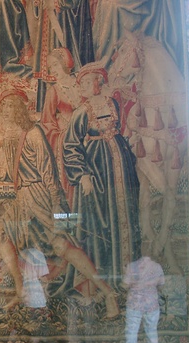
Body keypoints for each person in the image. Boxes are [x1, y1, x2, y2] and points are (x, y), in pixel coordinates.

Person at [0, 90, 119, 317]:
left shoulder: (33, 133)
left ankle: (108, 293)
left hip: (40, 196)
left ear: (19, 108)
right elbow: (14, 171)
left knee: (61, 245)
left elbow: (47, 171)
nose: (5, 110)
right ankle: (20, 291)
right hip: (23, 197)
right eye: (4, 107)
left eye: (10, 106)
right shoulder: (17, 135)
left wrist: (56, 203)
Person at [63, 63, 142, 291]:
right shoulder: (82, 112)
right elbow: (70, 145)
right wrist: (82, 175)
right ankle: (103, 280)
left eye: (88, 82)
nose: (83, 87)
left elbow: (121, 130)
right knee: (102, 220)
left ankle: (127, 274)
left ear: (98, 82)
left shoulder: (112, 103)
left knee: (124, 214)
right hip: (97, 170)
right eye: (82, 84)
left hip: (121, 166)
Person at [41, 48, 82, 207]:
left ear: (65, 62)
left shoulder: (81, 82)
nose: (52, 70)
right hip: (66, 142)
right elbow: (47, 122)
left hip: (87, 136)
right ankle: (70, 216)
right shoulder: (53, 91)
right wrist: (61, 136)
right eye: (50, 67)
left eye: (55, 65)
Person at [122, 255, 165, 343]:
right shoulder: (157, 267)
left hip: (134, 304)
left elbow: (125, 285)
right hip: (151, 305)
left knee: (131, 335)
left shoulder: (132, 266)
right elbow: (161, 284)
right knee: (152, 334)